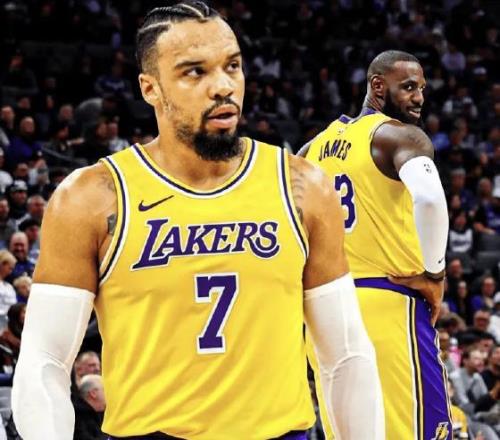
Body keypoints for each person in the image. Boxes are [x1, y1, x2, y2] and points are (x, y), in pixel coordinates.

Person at [12, 2, 384, 439]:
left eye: (233, 66)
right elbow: (45, 360)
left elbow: (345, 355)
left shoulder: (303, 187)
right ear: (150, 89)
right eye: (195, 72)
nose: (223, 86)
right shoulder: (91, 198)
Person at [299, 50, 451, 439]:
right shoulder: (398, 136)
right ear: (378, 86)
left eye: (422, 89)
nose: (419, 97)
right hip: (388, 301)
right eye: (409, 87)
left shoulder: (310, 150)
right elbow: (430, 199)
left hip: (325, 314)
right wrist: (434, 274)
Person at [73, 374, 107, 440]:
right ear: (93, 393)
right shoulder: (76, 416)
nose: (109, 393)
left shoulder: (100, 413)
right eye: (105, 389)